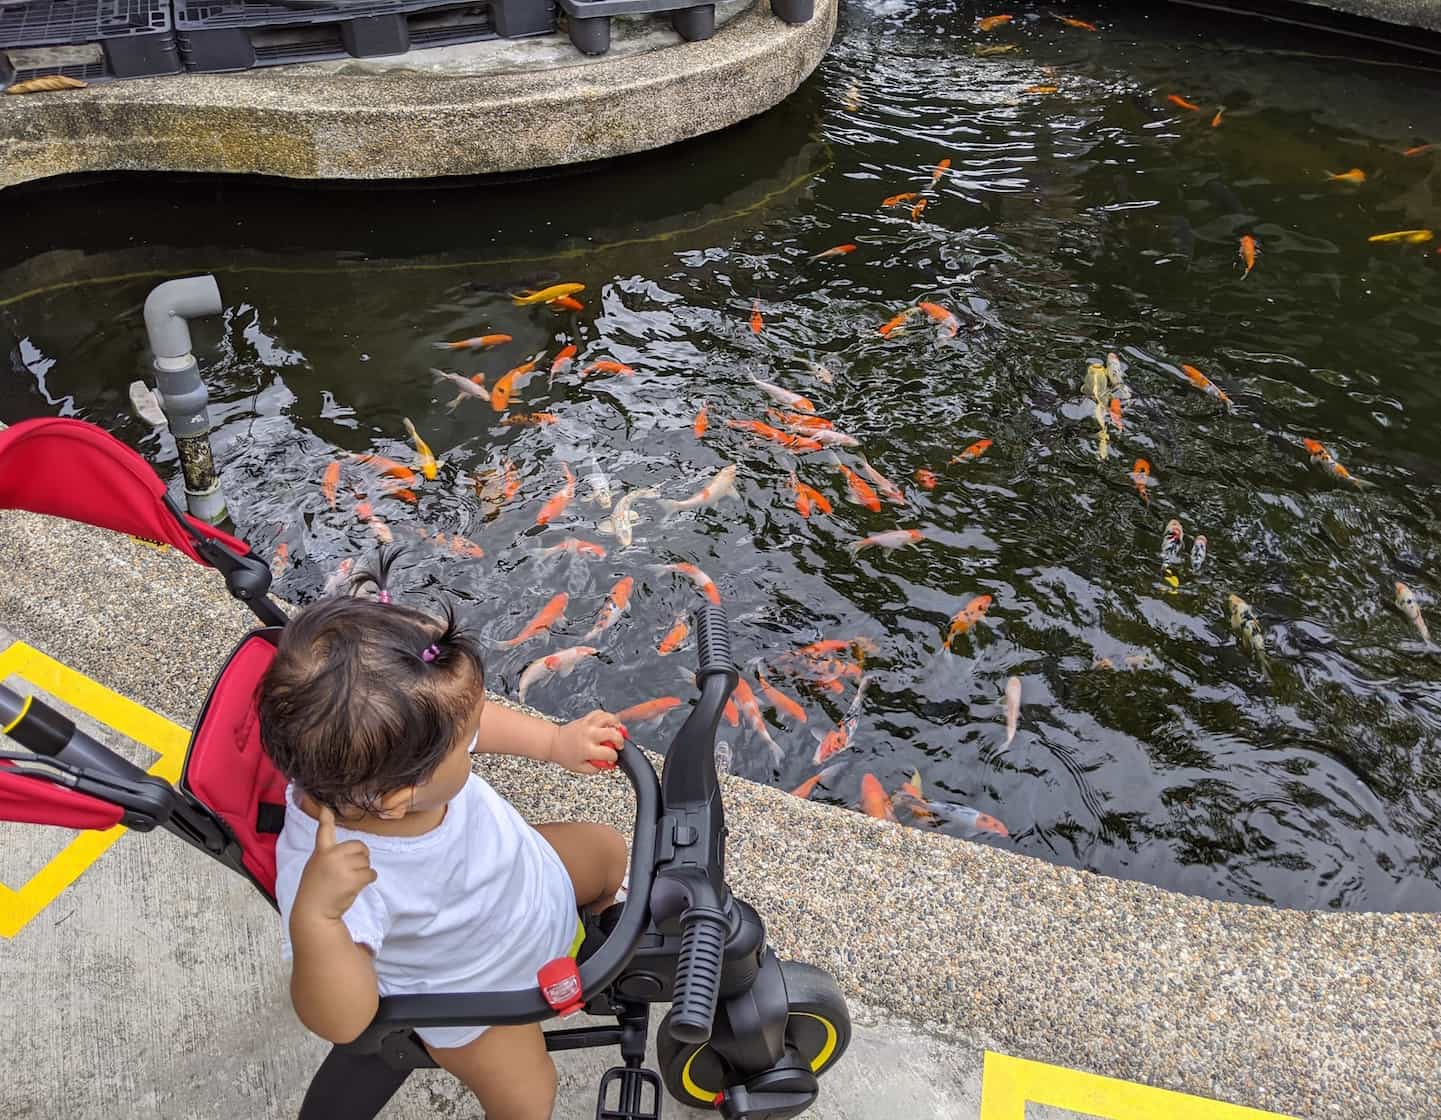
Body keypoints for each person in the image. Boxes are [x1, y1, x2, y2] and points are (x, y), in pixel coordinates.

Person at [257, 553, 629, 1120]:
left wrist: (554, 742)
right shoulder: (341, 873)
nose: (475, 738)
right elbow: (342, 1020)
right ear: (398, 801)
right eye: (464, 743)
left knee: (606, 848)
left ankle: (599, 930)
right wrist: (318, 921)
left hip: (519, 877)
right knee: (529, 1098)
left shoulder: (390, 761)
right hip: (477, 991)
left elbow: (469, 721)